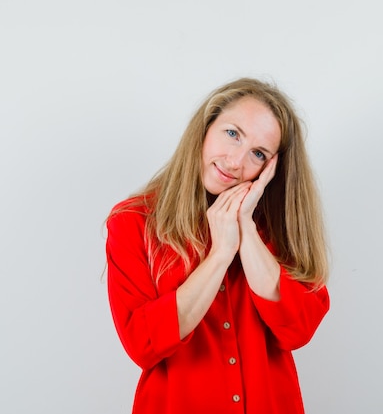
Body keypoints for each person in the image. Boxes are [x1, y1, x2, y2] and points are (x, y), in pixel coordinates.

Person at [105, 77, 330, 414]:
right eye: (232, 133)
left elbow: (297, 329)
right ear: (206, 127)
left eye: (258, 153)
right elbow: (143, 344)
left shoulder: (279, 229)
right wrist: (221, 254)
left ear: (272, 169)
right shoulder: (133, 221)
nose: (236, 161)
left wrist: (246, 230)